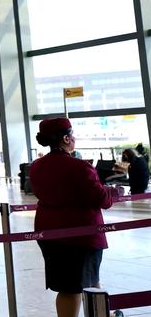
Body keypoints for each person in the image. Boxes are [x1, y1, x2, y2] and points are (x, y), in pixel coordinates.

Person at [30, 118, 122, 317]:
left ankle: (102, 314)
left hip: (49, 233)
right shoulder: (79, 167)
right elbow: (101, 198)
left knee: (79, 282)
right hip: (80, 235)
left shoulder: (37, 166)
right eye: (72, 134)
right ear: (65, 138)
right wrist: (114, 192)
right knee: (73, 288)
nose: (74, 138)